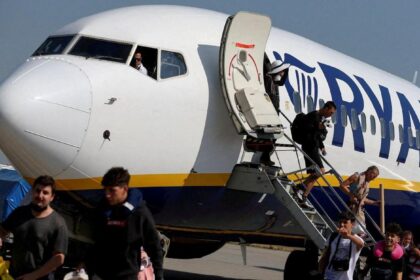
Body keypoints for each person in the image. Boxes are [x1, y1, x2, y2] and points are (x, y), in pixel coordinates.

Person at [89, 167, 164, 280]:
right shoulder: (103, 210)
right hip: (100, 274)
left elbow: (154, 246)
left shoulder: (140, 213)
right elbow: (95, 243)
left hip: (127, 275)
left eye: (112, 190)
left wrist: (159, 275)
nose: (107, 195)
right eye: (105, 190)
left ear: (124, 189)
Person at [0, 175, 68, 280]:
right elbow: (3, 230)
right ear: (32, 191)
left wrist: (34, 276)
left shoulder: (58, 223)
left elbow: (59, 258)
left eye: (45, 193)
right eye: (38, 191)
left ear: (52, 197)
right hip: (13, 275)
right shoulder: (20, 213)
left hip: (40, 278)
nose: (40, 195)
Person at [294, 101, 337, 207]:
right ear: (326, 108)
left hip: (314, 147)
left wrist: (322, 147)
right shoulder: (313, 115)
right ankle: (299, 187)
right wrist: (319, 127)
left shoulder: (319, 118)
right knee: (320, 172)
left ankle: (303, 196)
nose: (331, 115)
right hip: (309, 147)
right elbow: (306, 129)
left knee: (315, 174)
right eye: (331, 112)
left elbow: (316, 135)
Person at [255, 60, 291, 166]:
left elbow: (282, 82)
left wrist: (286, 71)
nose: (283, 73)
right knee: (274, 134)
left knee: (274, 135)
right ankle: (265, 157)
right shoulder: (269, 80)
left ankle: (265, 156)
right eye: (282, 71)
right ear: (278, 71)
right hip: (270, 112)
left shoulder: (273, 81)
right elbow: (269, 96)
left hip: (273, 111)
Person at [321, 211, 364, 280]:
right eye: (340, 222)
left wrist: (348, 235)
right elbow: (325, 254)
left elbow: (361, 244)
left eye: (345, 222)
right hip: (329, 276)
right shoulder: (334, 236)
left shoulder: (355, 239)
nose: (341, 224)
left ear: (352, 224)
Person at [339, 166, 380, 233]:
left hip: (358, 209)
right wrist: (351, 195)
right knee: (349, 228)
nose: (373, 179)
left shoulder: (367, 183)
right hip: (350, 207)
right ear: (369, 172)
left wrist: (374, 202)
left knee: (360, 230)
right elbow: (342, 185)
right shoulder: (356, 176)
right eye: (373, 176)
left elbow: (362, 199)